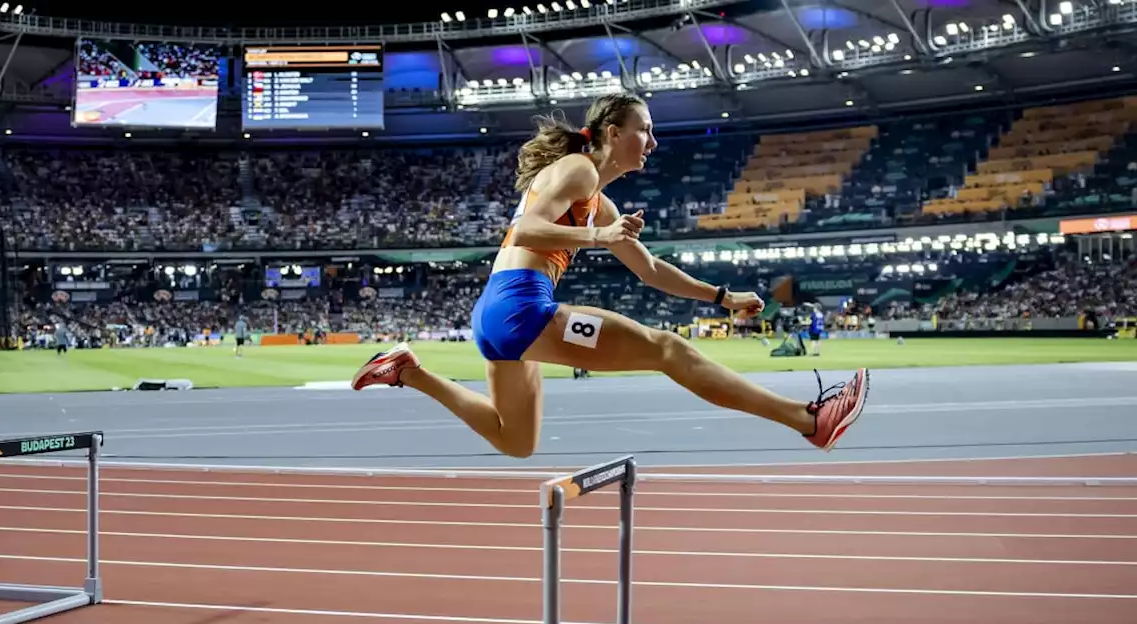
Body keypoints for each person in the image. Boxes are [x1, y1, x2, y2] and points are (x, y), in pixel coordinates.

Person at [351, 92, 868, 457]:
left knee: (516, 441)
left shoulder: (599, 200)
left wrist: (721, 296)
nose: (653, 141)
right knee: (669, 348)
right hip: (520, 305)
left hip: (498, 310)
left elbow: (649, 269)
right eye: (644, 129)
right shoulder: (579, 169)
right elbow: (527, 229)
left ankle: (408, 371)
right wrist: (599, 237)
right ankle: (808, 420)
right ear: (611, 133)